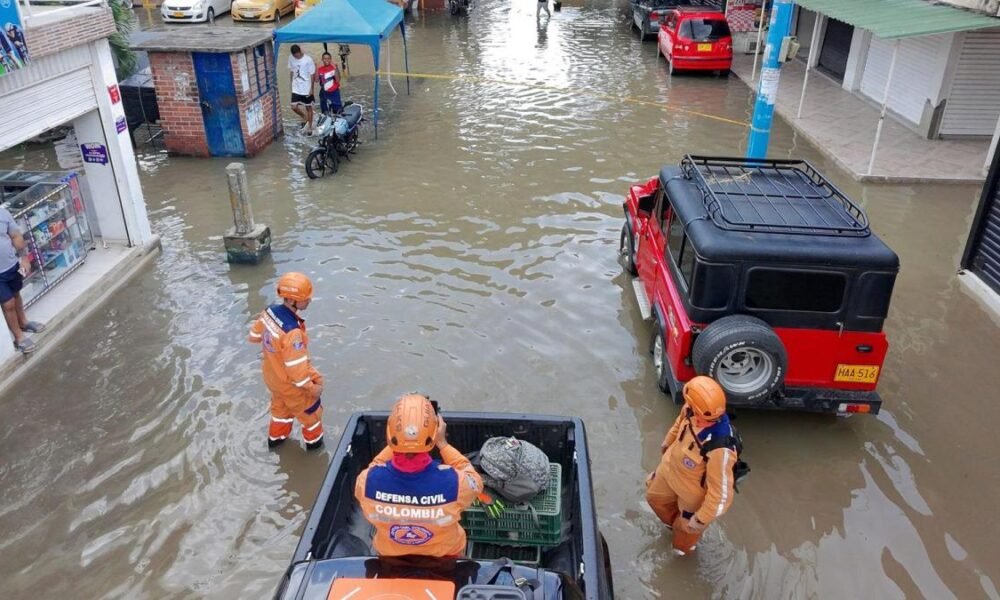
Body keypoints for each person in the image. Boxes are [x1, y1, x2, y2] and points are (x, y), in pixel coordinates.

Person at [355, 394, 484, 558]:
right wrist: (443, 444)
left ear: (389, 433)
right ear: (436, 431)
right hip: (445, 558)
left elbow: (375, 465)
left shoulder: (367, 481)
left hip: (390, 558)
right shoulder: (455, 482)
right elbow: (475, 482)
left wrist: (398, 442)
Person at [645, 376, 738, 556]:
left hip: (691, 492)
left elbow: (721, 494)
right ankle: (674, 526)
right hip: (670, 470)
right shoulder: (691, 410)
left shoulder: (720, 447)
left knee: (683, 539)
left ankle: (684, 551)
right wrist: (667, 442)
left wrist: (701, 519)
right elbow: (679, 424)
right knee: (654, 498)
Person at [248, 272, 325, 450]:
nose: (309, 301)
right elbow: (297, 374)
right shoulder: (293, 333)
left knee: (280, 412)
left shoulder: (269, 312)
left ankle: (276, 442)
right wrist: (313, 389)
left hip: (273, 379)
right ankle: (315, 451)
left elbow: (253, 336)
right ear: (292, 301)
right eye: (305, 299)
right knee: (311, 417)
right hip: (291, 385)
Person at [1, 206, 45, 354]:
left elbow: (16, 236)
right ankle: (19, 337)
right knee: (8, 304)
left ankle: (23, 322)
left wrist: (24, 258)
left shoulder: (3, 213)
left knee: (16, 294)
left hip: (11, 265)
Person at [287, 44, 316, 135]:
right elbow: (291, 70)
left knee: (308, 107)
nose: (297, 57)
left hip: (306, 87)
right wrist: (291, 83)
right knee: (293, 106)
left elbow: (312, 74)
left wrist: (311, 89)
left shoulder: (308, 60)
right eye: (295, 56)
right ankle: (304, 117)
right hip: (296, 87)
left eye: (298, 55)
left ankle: (310, 127)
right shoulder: (291, 58)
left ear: (300, 51)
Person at [316, 52, 343, 116]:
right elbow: (316, 80)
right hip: (324, 93)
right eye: (325, 58)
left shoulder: (334, 68)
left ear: (330, 59)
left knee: (337, 111)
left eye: (328, 58)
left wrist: (336, 68)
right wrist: (316, 68)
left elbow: (338, 80)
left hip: (334, 92)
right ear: (322, 59)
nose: (326, 60)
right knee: (325, 112)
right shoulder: (320, 69)